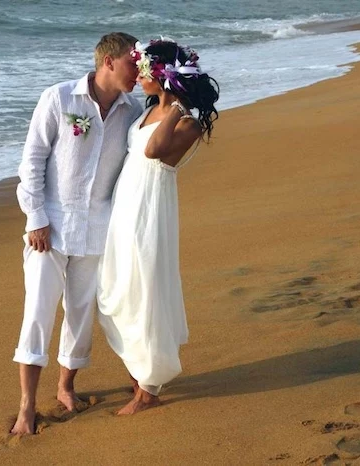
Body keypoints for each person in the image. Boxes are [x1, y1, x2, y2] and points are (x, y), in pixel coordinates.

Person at [11, 32, 144, 434]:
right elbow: (31, 160)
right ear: (108, 62)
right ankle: (25, 406)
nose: (137, 73)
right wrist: (35, 217)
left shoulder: (132, 110)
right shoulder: (59, 98)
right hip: (49, 228)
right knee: (37, 313)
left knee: (81, 314)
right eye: (131, 64)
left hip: (98, 229)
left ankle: (66, 386)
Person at [97, 39, 219, 415]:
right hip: (125, 207)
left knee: (144, 291)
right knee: (117, 292)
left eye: (146, 69)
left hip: (150, 211)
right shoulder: (143, 112)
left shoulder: (188, 123)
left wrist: (177, 104)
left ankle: (148, 391)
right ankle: (139, 375)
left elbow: (153, 151)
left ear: (165, 75)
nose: (139, 74)